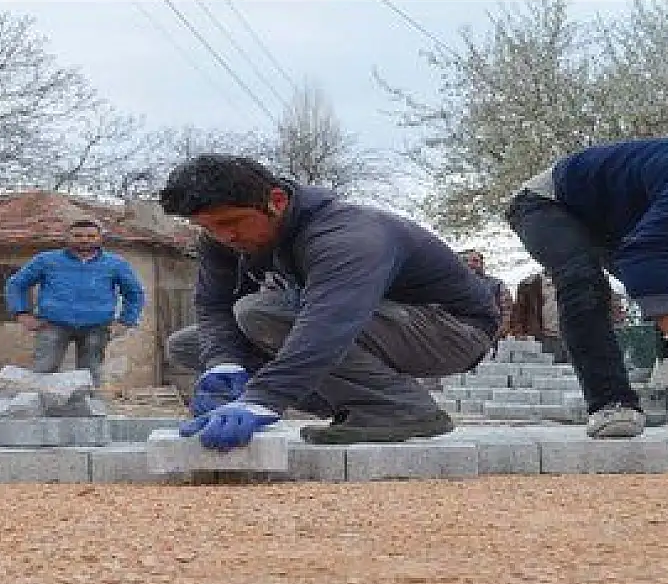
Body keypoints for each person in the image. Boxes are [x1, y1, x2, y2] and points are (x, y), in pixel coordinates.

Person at [158, 154, 500, 449]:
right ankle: (357, 407)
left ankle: (399, 408)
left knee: (259, 313)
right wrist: (224, 365)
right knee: (190, 346)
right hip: (366, 327)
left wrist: (262, 400)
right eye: (209, 228)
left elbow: (328, 324)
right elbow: (214, 306)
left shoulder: (345, 236)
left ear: (276, 201)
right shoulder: (224, 241)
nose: (224, 237)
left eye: (231, 223)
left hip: (453, 332)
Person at [505, 137, 668, 439]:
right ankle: (610, 404)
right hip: (550, 203)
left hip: (620, 223)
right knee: (583, 282)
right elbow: (645, 252)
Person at [3, 219, 145, 387]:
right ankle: (40, 409)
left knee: (89, 375)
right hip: (52, 324)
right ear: (67, 237)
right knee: (43, 370)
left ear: (100, 238)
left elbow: (134, 292)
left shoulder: (115, 264)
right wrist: (21, 314)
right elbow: (16, 284)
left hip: (96, 327)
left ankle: (88, 409)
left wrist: (126, 321)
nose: (84, 239)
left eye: (90, 236)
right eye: (78, 235)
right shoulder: (46, 260)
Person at [460, 249, 512, 342]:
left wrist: (501, 332)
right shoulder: (451, 285)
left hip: (490, 336)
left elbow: (507, 312)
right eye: (465, 261)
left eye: (475, 261)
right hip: (459, 336)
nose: (470, 263)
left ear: (482, 264)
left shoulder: (496, 284)